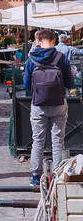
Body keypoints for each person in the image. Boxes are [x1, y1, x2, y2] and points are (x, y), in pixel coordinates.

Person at [24, 29, 74, 186]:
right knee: (58, 141)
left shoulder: (31, 59)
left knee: (37, 141)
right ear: (54, 41)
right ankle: (58, 176)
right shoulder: (61, 57)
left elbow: (26, 85)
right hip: (58, 104)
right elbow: (70, 83)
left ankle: (35, 177)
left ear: (38, 40)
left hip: (38, 105)